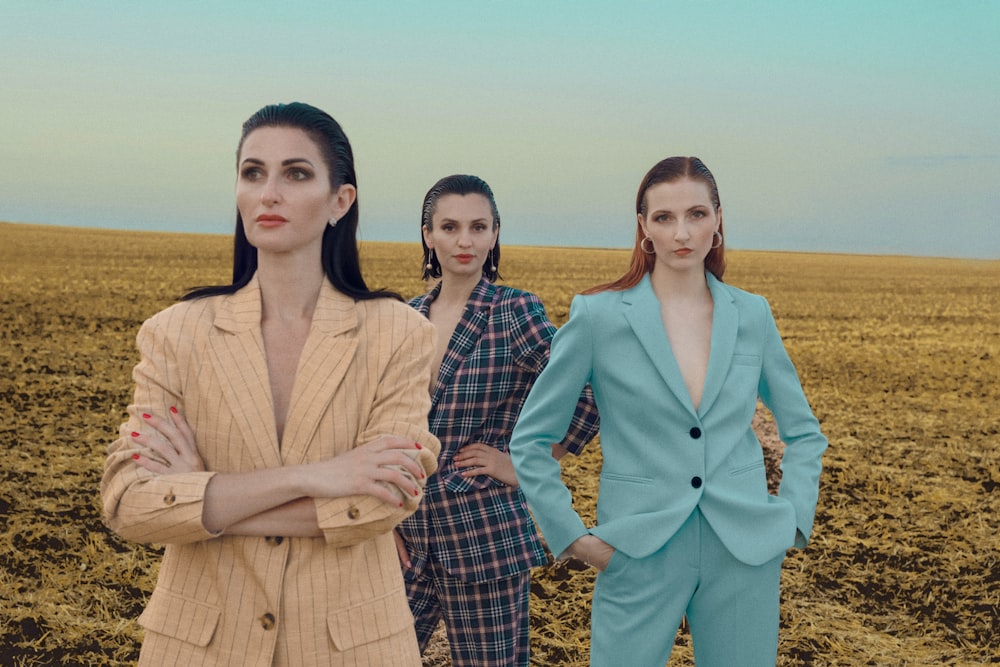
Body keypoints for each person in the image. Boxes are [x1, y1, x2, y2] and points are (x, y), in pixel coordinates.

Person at [100, 102, 441, 666]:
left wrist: (205, 496)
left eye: (296, 173)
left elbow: (387, 500)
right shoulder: (175, 333)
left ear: (341, 201)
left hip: (351, 650)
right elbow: (129, 502)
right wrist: (320, 476)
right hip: (199, 648)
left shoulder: (398, 333)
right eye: (253, 172)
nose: (269, 192)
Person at [509, 157, 828, 666]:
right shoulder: (598, 317)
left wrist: (792, 519)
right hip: (637, 550)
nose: (682, 232)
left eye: (697, 214)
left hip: (744, 551)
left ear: (718, 219)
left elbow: (804, 433)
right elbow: (529, 441)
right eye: (664, 217)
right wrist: (574, 539)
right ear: (643, 228)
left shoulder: (752, 314)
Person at [392, 174, 600, 666]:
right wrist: (385, 516)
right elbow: (383, 423)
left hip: (483, 536)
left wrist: (524, 465)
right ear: (428, 235)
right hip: (405, 538)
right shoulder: (404, 317)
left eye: (478, 227)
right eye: (449, 227)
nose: (464, 241)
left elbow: (586, 393)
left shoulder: (513, 310)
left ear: (494, 233)